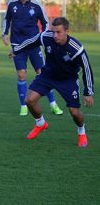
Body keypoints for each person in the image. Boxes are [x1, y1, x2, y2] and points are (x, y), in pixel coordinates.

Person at [11, 17, 94, 147]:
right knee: (29, 100)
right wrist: (16, 50)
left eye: (58, 32)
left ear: (67, 31)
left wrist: (88, 91)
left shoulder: (76, 48)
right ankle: (40, 124)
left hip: (68, 80)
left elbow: (87, 68)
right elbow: (31, 42)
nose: (55, 35)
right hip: (48, 75)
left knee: (74, 112)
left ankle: (81, 131)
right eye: (53, 31)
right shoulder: (46, 36)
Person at [2, 0, 63, 116]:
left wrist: (43, 37)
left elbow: (46, 23)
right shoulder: (12, 4)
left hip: (33, 44)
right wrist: (4, 34)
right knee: (21, 74)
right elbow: (7, 19)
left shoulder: (36, 6)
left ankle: (53, 104)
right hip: (17, 44)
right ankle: (23, 105)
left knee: (42, 73)